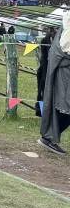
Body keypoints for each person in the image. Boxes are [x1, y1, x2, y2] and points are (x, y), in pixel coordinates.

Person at [38, 12, 70, 154]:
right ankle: (48, 138)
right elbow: (66, 50)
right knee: (65, 107)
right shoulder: (68, 26)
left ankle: (48, 137)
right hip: (64, 71)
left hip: (65, 69)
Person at [36, 26, 57, 116]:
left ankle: (47, 112)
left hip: (49, 69)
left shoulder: (55, 41)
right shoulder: (45, 41)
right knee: (43, 91)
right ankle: (42, 111)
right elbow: (46, 57)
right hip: (45, 70)